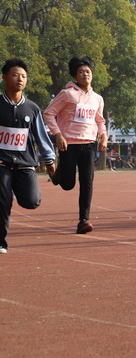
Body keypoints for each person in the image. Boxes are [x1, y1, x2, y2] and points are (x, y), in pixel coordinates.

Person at [44, 56, 107, 234]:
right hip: (69, 144)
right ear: (75, 75)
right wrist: (58, 134)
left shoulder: (97, 99)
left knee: (87, 182)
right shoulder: (67, 94)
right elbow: (49, 113)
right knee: (67, 184)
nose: (85, 74)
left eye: (88, 71)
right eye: (81, 72)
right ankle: (55, 174)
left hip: (89, 144)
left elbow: (100, 120)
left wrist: (103, 136)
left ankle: (83, 221)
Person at [0, 58, 57, 253]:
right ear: (5, 77)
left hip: (25, 164)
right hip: (2, 164)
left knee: (31, 202)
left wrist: (50, 161)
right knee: (3, 201)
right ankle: (1, 242)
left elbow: (41, 136)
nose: (20, 79)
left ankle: (11, 189)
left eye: (23, 76)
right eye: (15, 75)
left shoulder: (32, 108)